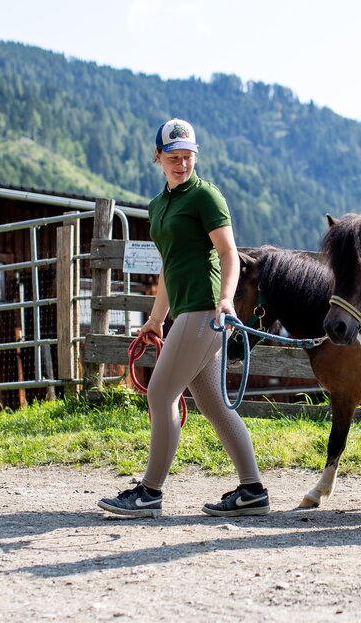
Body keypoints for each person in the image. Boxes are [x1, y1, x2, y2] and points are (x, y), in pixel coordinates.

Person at [98, 118, 269, 519]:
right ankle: (252, 491)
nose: (182, 163)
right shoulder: (159, 206)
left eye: (188, 156)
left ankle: (149, 492)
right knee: (213, 404)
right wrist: (156, 318)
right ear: (158, 157)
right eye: (174, 156)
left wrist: (227, 300)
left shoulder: (206, 197)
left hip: (205, 310)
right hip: (184, 312)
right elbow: (169, 266)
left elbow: (229, 253)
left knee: (160, 394)